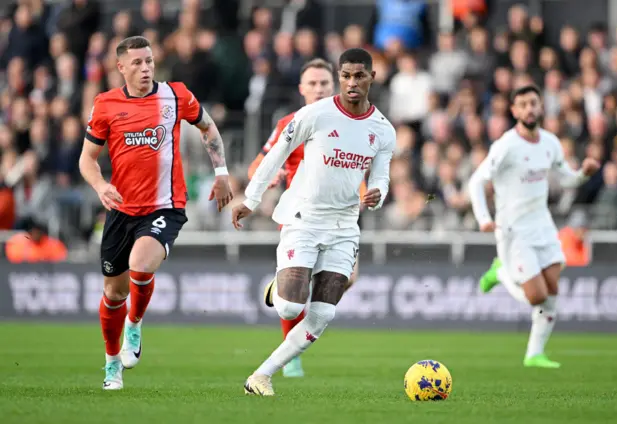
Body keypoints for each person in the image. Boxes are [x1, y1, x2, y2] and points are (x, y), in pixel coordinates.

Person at [232, 48, 396, 396]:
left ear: (372, 78)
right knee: (291, 305)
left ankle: (261, 376)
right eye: (346, 76)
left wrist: (378, 192)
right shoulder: (314, 114)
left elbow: (381, 177)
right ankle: (279, 288)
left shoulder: (383, 130)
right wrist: (250, 199)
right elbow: (276, 153)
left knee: (322, 316)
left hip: (345, 227)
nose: (352, 83)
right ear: (341, 76)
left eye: (359, 76)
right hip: (304, 219)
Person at [78, 36, 233, 390]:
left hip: (165, 205)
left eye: (149, 61)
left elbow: (208, 127)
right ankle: (111, 363)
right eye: (137, 63)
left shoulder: (176, 95)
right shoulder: (105, 104)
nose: (146, 68)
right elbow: (87, 159)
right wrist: (101, 186)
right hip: (120, 209)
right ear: (121, 68)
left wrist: (221, 174)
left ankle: (135, 322)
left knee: (141, 262)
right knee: (113, 293)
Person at [468, 85, 599, 369]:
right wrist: (483, 218)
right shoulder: (506, 145)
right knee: (536, 295)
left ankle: (534, 353)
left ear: (540, 108)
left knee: (552, 289)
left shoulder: (550, 142)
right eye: (523, 104)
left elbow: (565, 179)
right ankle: (500, 272)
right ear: (514, 111)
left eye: (533, 103)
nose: (529, 109)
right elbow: (476, 181)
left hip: (542, 225)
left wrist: (582, 175)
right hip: (514, 230)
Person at [248, 58, 364, 378]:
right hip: (300, 215)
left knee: (347, 278)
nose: (318, 89)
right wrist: (266, 178)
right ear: (301, 89)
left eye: (324, 83)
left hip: (340, 214)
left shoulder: (353, 122)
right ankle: (291, 354)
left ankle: (281, 288)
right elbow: (258, 164)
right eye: (312, 84)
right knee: (297, 293)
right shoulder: (291, 123)